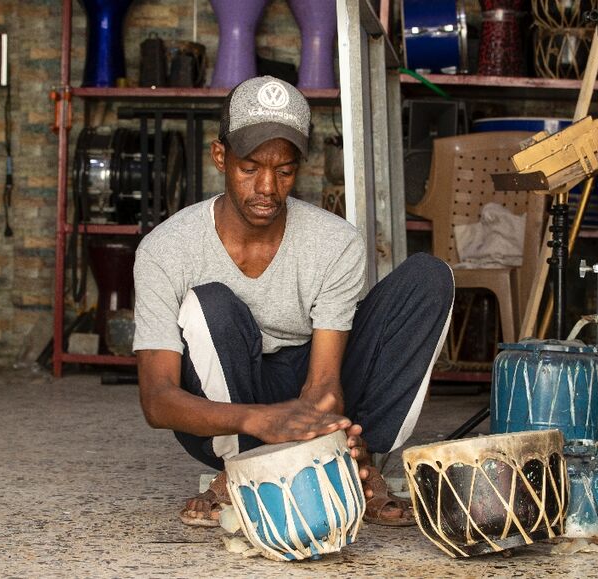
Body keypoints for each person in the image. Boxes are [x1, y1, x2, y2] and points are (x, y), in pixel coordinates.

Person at [133, 75, 454, 527]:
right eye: (249, 168)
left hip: (305, 388)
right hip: (232, 409)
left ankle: (360, 458)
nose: (267, 187)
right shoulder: (166, 249)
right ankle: (241, 470)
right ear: (220, 156)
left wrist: (324, 422)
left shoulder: (334, 241)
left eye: (284, 171)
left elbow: (323, 383)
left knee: (428, 277)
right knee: (212, 305)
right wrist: (260, 420)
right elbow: (157, 399)